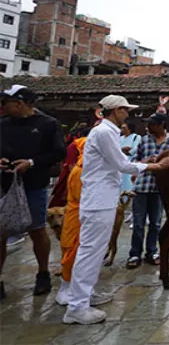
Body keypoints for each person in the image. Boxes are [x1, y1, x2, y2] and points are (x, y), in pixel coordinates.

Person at [63, 95, 169, 325]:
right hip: (99, 200)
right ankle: (77, 306)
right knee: (91, 251)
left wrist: (146, 161)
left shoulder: (105, 132)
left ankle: (84, 296)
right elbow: (123, 165)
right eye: (125, 111)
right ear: (116, 111)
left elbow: (117, 162)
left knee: (94, 251)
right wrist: (157, 165)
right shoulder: (105, 132)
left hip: (102, 198)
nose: (128, 115)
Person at [0, 85, 66, 301]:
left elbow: (58, 152)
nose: (3, 107)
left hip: (34, 185)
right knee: (1, 233)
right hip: (4, 185)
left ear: (20, 103)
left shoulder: (47, 124)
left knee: (37, 230)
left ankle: (43, 273)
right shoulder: (2, 125)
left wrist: (31, 162)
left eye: (6, 103)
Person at [127, 113, 169, 269]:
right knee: (138, 223)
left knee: (156, 223)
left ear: (162, 124)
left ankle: (152, 252)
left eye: (152, 124)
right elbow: (133, 161)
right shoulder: (144, 140)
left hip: (160, 188)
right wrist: (147, 161)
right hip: (142, 186)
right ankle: (135, 253)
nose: (148, 127)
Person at [56, 128, 90, 306]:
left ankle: (83, 288)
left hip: (83, 218)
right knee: (72, 252)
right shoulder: (80, 172)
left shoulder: (83, 169)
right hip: (77, 218)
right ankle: (66, 287)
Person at [120, 122, 141, 193]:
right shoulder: (120, 138)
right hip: (121, 162)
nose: (122, 129)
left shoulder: (136, 137)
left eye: (124, 128)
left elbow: (135, 149)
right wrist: (123, 149)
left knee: (129, 181)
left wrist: (128, 151)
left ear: (130, 129)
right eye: (121, 127)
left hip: (131, 160)